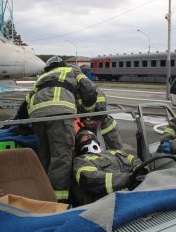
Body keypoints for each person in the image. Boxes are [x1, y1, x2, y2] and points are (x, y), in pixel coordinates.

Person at [25, 56, 97, 202]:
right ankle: (59, 201)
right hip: (60, 113)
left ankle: (44, 194)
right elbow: (89, 90)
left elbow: (27, 100)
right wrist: (86, 114)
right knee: (61, 158)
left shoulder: (42, 77)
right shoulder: (72, 70)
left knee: (45, 155)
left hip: (36, 115)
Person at [72, 129, 144, 202]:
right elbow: (91, 179)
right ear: (79, 144)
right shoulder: (81, 160)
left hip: (140, 188)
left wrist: (141, 170)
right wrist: (128, 178)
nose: (88, 135)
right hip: (113, 200)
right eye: (84, 136)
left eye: (91, 135)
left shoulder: (114, 152)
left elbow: (134, 160)